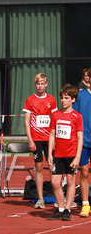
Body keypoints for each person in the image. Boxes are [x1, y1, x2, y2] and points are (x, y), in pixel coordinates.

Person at [47, 84, 83, 221]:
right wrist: (50, 153)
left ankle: (68, 209)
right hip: (58, 154)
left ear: (73, 100)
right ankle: (61, 208)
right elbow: (52, 134)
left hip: (72, 154)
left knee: (71, 182)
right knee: (55, 182)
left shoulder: (77, 116)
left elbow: (80, 138)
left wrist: (77, 157)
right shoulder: (55, 115)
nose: (63, 100)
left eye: (66, 98)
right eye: (62, 98)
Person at [23, 73, 57, 210]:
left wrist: (55, 139)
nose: (40, 86)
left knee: (52, 166)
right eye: (38, 84)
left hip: (49, 138)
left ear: (46, 84)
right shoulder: (30, 100)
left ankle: (57, 197)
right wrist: (30, 139)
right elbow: (26, 122)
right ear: (35, 84)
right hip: (36, 138)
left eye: (42, 83)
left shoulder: (52, 99)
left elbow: (54, 120)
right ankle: (41, 198)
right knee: (39, 167)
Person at [75, 82, 91, 217]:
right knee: (84, 172)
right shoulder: (80, 96)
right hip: (84, 141)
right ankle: (85, 204)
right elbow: (74, 116)